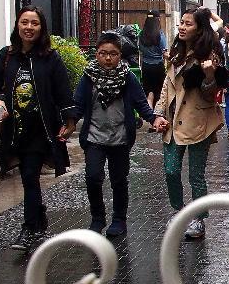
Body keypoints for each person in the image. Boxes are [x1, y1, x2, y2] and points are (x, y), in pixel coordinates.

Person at [0, 5, 76, 251]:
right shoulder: (7, 55)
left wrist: (69, 121)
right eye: (25, 22)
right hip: (14, 129)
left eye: (34, 23)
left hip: (41, 130)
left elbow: (63, 92)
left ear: (41, 27)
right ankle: (39, 216)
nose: (29, 27)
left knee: (29, 176)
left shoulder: (50, 57)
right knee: (28, 179)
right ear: (18, 25)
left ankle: (29, 229)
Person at [61, 32, 167, 236]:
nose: (108, 58)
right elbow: (78, 104)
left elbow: (141, 103)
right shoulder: (88, 76)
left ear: (120, 55)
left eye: (113, 54)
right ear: (96, 54)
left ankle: (119, 220)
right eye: (103, 53)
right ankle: (97, 218)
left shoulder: (127, 76)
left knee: (119, 179)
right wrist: (69, 123)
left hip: (120, 138)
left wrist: (154, 118)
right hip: (94, 137)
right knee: (92, 177)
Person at [154, 7, 229, 240]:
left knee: (196, 175)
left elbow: (211, 95)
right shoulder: (175, 53)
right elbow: (167, 87)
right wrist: (157, 114)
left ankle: (198, 219)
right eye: (181, 23)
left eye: (188, 24)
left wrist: (209, 76)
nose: (182, 27)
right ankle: (178, 211)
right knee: (170, 170)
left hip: (199, 121)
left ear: (199, 28)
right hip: (173, 121)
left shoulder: (209, 55)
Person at [138, 9, 168, 112]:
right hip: (158, 67)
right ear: (158, 19)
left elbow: (140, 51)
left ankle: (150, 117)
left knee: (149, 92)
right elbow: (164, 53)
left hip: (146, 66)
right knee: (159, 93)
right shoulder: (160, 34)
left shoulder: (141, 34)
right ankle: (157, 120)